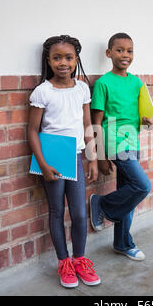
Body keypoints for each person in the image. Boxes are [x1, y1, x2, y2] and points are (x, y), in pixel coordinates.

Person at [28, 35, 100, 288]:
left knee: (80, 214)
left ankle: (80, 259)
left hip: (76, 156)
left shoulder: (81, 88)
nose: (63, 63)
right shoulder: (42, 91)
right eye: (56, 57)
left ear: (76, 59)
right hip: (53, 160)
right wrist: (43, 165)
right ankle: (64, 263)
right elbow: (32, 131)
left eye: (68, 57)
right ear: (48, 60)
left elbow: (87, 124)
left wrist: (91, 158)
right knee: (57, 212)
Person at [90, 32, 153, 261]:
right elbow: (96, 122)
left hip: (133, 140)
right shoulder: (103, 83)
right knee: (142, 186)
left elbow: (134, 114)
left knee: (129, 195)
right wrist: (99, 156)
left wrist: (144, 120)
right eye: (119, 50)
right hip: (115, 142)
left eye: (129, 51)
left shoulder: (137, 83)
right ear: (109, 53)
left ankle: (122, 243)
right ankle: (102, 203)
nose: (125, 55)